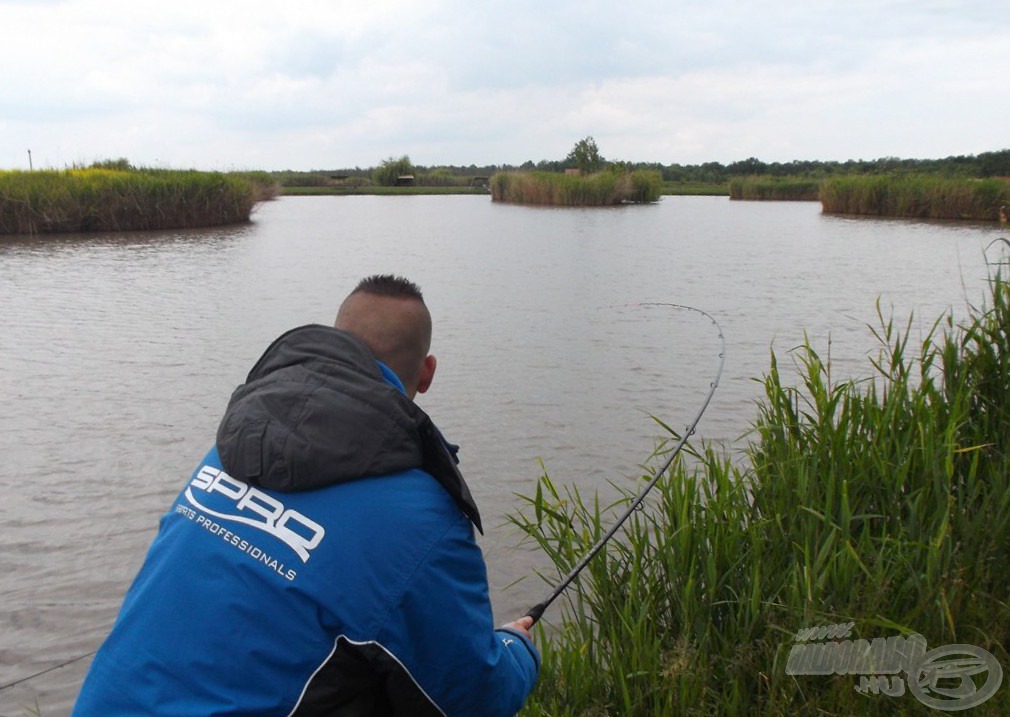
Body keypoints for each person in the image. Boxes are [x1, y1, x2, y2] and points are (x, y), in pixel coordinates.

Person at [72, 275, 539, 716]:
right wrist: (515, 650)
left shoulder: (232, 447)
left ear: (340, 344)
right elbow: (478, 699)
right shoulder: (423, 520)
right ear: (427, 372)